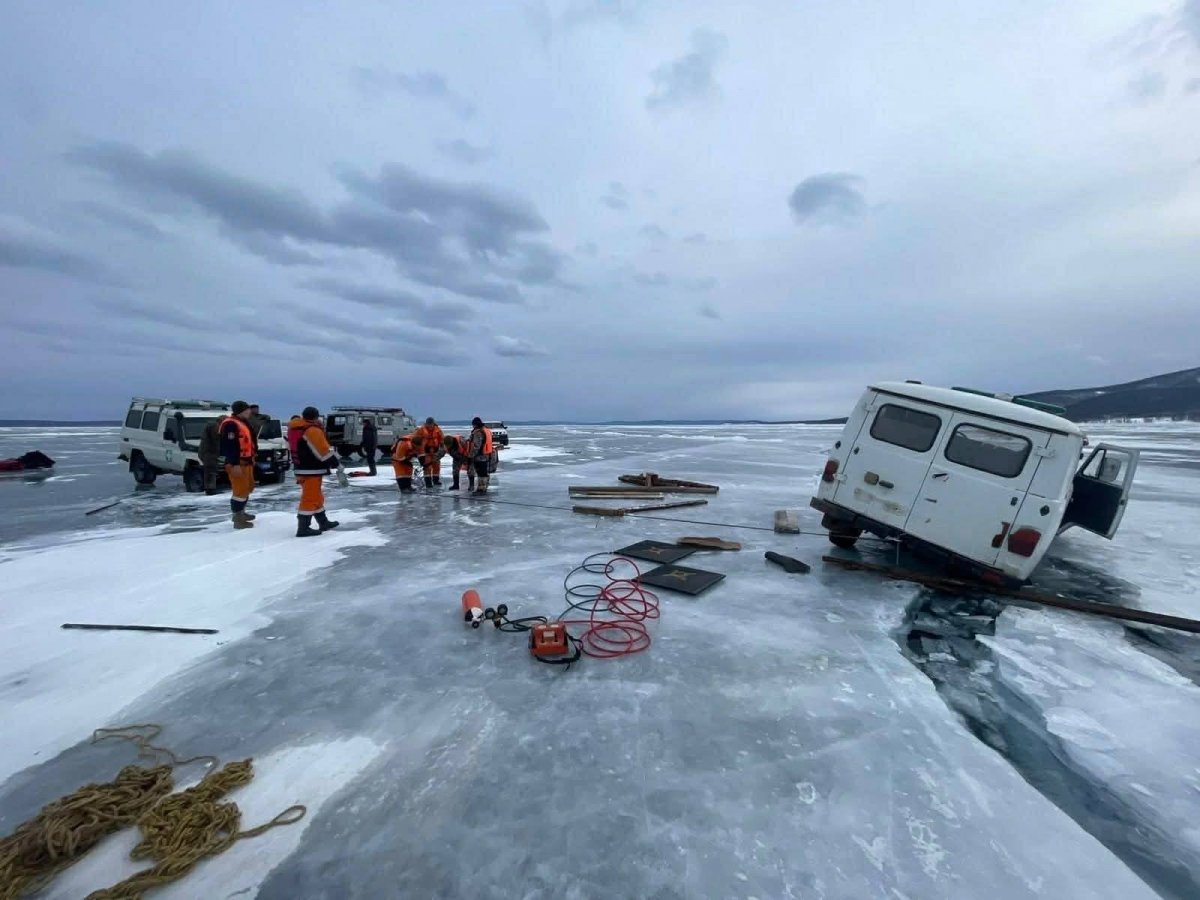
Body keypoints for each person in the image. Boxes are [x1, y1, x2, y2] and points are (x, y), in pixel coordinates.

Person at [291, 406, 342, 537]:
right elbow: (323, 450)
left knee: (317, 496)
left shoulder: (294, 428)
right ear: (316, 417)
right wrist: (336, 464)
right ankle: (303, 528)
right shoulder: (312, 430)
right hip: (311, 469)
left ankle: (323, 522)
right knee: (310, 498)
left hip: (301, 468)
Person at [219, 400, 257, 529]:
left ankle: (242, 512)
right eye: (247, 410)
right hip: (238, 463)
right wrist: (233, 463)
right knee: (239, 490)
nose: (250, 412)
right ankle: (237, 518)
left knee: (247, 488)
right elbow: (230, 446)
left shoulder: (243, 422)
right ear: (241, 411)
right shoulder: (230, 424)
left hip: (247, 461)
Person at [467, 417, 493, 495]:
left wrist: (471, 455)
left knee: (481, 473)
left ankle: (481, 489)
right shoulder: (486, 430)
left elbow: (476, 446)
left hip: (479, 456)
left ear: (475, 424)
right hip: (486, 454)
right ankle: (484, 487)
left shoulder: (478, 433)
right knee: (483, 472)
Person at [416, 417, 445, 488]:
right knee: (427, 467)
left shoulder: (438, 430)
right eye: (428, 424)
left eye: (431, 424)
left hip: (435, 451)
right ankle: (428, 482)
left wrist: (441, 448)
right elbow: (417, 441)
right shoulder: (421, 430)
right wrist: (420, 453)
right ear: (426, 424)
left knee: (436, 466)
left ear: (433, 423)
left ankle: (436, 481)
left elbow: (442, 440)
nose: (430, 426)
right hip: (426, 452)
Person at [198, 419, 222, 496]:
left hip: (207, 453)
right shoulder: (213, 427)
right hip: (209, 454)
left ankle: (210, 488)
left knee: (210, 471)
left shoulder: (209, 428)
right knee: (210, 471)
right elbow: (215, 439)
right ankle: (210, 489)